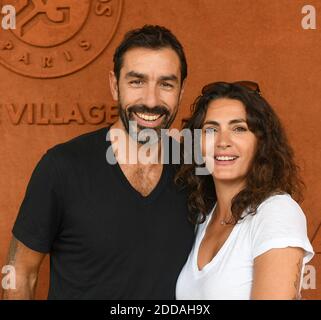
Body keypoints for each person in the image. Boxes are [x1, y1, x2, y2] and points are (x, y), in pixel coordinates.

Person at [2, 25, 195, 300]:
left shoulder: (195, 171)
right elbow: (20, 271)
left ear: (181, 90)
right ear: (115, 86)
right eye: (136, 81)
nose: (151, 100)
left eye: (166, 84)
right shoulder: (61, 167)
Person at [175, 81, 314, 300]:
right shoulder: (203, 219)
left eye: (238, 128)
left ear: (261, 143)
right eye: (211, 129)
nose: (222, 142)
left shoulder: (276, 212)